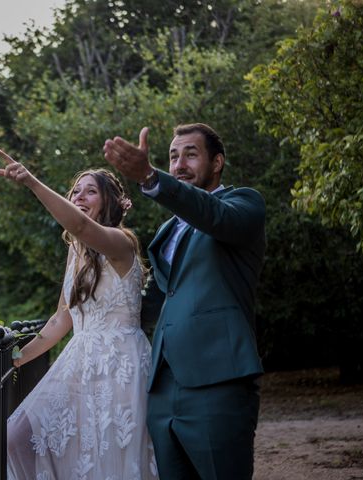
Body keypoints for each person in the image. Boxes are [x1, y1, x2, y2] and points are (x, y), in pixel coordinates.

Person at [103, 123, 265, 480]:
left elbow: (212, 215)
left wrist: (148, 175)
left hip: (219, 380)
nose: (178, 165)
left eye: (191, 155)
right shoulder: (168, 231)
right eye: (173, 156)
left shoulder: (243, 205)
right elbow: (153, 301)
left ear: (217, 162)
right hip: (162, 388)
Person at [0, 148, 158, 480]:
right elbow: (60, 320)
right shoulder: (76, 253)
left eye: (90, 191)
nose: (79, 196)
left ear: (108, 202)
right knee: (17, 436)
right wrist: (14, 359)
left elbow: (81, 226)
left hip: (118, 367)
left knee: (113, 458)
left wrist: (32, 182)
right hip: (78, 363)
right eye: (75, 191)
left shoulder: (121, 243)